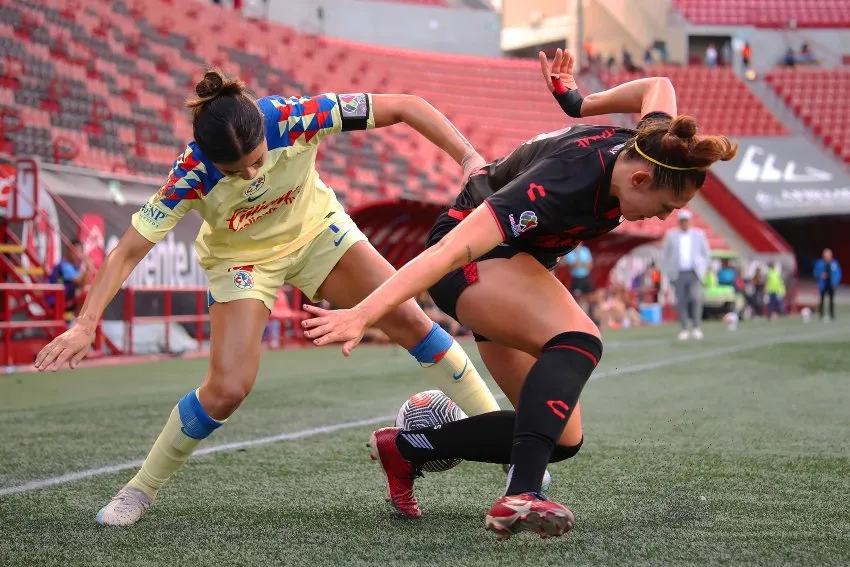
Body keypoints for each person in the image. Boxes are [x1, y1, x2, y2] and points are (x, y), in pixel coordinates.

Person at [33, 70, 504, 526]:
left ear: (264, 130)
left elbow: (406, 105)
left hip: (318, 234)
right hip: (243, 262)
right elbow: (127, 251)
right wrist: (85, 323)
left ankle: (512, 454)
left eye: (257, 160)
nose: (251, 174)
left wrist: (467, 157)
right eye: (234, 171)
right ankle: (140, 488)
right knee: (227, 389)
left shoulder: (296, 117)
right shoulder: (191, 174)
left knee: (417, 326)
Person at [301, 48, 737, 539]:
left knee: (560, 436)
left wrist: (578, 102)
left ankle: (405, 449)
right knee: (579, 340)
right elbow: (448, 252)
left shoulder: (650, 144)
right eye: (664, 207)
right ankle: (522, 493)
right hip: (471, 259)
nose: (661, 218)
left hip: (513, 267)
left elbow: (657, 87)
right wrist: (365, 311)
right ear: (639, 179)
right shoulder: (563, 182)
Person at [662, 210, 710, 340]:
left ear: (690, 221)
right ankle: (684, 328)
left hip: (694, 273)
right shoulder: (671, 235)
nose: (684, 223)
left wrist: (703, 269)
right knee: (681, 301)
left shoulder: (699, 235)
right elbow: (665, 255)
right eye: (682, 221)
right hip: (678, 273)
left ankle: (696, 327)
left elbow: (706, 254)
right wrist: (668, 272)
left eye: (686, 220)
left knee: (695, 298)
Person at [47, 239, 90, 318]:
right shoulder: (64, 265)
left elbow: (82, 284)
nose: (78, 254)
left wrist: (87, 269)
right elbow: (79, 282)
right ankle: (77, 321)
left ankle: (78, 320)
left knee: (87, 291)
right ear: (69, 250)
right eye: (76, 250)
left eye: (81, 251)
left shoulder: (75, 266)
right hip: (55, 300)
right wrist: (87, 267)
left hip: (65, 298)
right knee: (85, 293)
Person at [814, 248, 841, 321]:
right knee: (822, 300)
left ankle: (831, 314)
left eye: (828, 255)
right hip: (823, 284)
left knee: (831, 300)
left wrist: (835, 281)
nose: (827, 256)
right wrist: (820, 275)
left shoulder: (834, 263)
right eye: (826, 255)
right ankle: (821, 314)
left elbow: (838, 273)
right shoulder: (820, 263)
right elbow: (815, 272)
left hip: (831, 284)